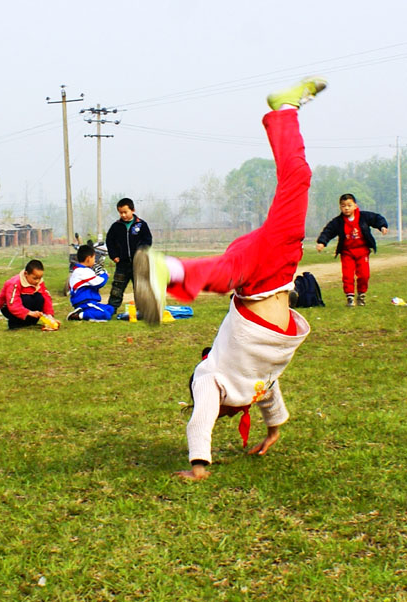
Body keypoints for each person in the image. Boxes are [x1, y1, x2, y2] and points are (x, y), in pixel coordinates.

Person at [132, 76, 327, 481]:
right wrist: (274, 429)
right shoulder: (247, 384)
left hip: (260, 280)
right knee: (229, 270)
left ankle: (167, 272)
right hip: (273, 275)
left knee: (297, 182)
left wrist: (199, 465)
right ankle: (284, 112)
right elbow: (269, 390)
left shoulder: (211, 378)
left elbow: (199, 418)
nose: (217, 414)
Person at [315, 193, 388, 306]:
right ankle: (350, 297)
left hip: (362, 251)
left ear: (355, 206)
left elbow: (376, 218)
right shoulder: (338, 222)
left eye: (349, 205)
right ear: (340, 207)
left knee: (364, 275)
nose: (347, 208)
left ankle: (361, 295)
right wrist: (322, 242)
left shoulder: (364, 216)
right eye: (344, 206)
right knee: (347, 275)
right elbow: (328, 231)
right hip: (347, 252)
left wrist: (382, 226)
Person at [105, 198, 152, 310]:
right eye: (121, 212)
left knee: (140, 288)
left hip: (138, 264)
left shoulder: (141, 225)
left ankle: (143, 310)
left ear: (133, 210)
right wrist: (114, 255)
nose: (123, 215)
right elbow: (109, 241)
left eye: (125, 212)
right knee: (117, 288)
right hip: (122, 264)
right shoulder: (116, 226)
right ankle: (111, 309)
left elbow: (147, 240)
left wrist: (141, 252)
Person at [0, 259, 56, 329]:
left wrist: (49, 316)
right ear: (26, 274)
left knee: (39, 298)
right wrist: (29, 313)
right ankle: (15, 323)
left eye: (40, 278)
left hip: (25, 304)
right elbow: (13, 304)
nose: (37, 281)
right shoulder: (14, 283)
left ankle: (30, 322)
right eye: (35, 278)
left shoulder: (39, 283)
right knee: (27, 299)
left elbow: (46, 297)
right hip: (8, 306)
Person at [67, 244, 116, 322]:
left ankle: (83, 312)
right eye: (94, 258)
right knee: (105, 315)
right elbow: (100, 283)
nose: (94, 260)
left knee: (110, 309)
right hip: (85, 303)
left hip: (91, 302)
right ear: (88, 259)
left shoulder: (81, 270)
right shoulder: (82, 271)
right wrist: (105, 275)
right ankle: (79, 315)